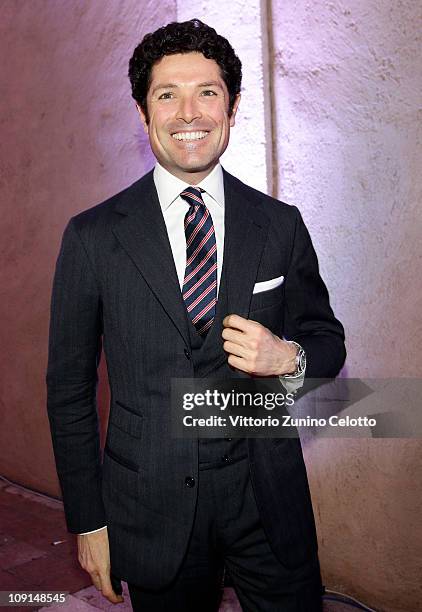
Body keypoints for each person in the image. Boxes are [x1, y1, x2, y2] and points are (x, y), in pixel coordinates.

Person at [46, 19, 346, 612]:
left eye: (207, 92)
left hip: (268, 498)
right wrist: (89, 522)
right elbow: (69, 390)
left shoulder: (280, 223)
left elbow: (326, 339)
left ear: (231, 109)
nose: (190, 113)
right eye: (168, 94)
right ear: (143, 112)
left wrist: (291, 358)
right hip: (151, 502)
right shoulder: (93, 237)